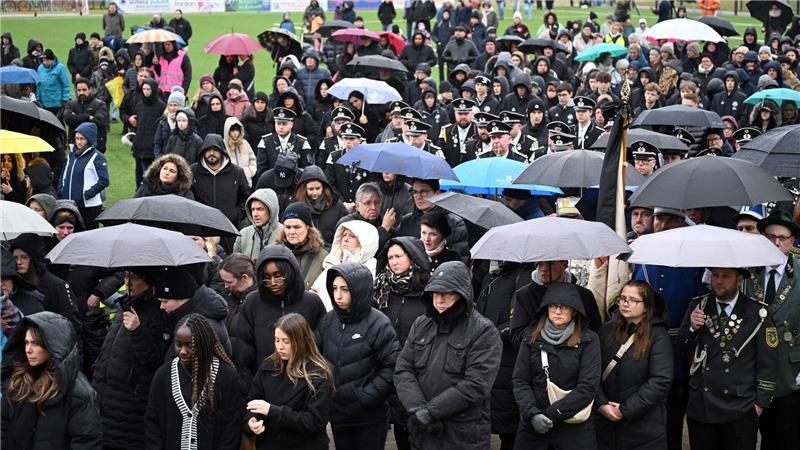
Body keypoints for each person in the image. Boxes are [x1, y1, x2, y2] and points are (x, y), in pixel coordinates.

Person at [394, 261, 502, 449]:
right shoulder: (421, 324)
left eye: (446, 294)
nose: (439, 300)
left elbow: (476, 384)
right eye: (435, 293)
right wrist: (417, 409)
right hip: (422, 431)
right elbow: (403, 369)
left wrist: (430, 412)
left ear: (462, 294)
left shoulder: (484, 331)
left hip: (462, 434)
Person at [678, 267, 778, 450]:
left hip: (740, 408)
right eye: (715, 275)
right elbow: (682, 352)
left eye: (726, 276)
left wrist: (759, 405)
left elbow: (768, 364)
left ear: (739, 280)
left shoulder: (758, 313)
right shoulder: (698, 306)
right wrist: (692, 329)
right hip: (702, 407)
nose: (719, 281)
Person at [316, 263, 399, 450]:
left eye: (345, 289)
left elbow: (392, 368)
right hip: (338, 415)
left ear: (359, 290)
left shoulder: (379, 324)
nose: (338, 295)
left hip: (369, 418)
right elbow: (316, 358)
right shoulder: (329, 320)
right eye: (334, 288)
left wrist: (364, 397)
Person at [512, 283, 601, 450]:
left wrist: (551, 414)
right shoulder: (530, 337)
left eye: (564, 306)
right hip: (534, 426)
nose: (558, 311)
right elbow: (520, 380)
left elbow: (588, 386)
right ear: (546, 308)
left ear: (575, 310)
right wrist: (532, 414)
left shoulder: (589, 340)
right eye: (553, 306)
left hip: (574, 428)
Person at [92, 268, 169, 450]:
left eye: (134, 277)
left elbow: (156, 361)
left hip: (130, 410)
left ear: (148, 280)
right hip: (104, 402)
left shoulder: (158, 311)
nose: (127, 282)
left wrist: (137, 331)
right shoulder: (126, 305)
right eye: (125, 276)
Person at [1, 312, 102, 449]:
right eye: (26, 343)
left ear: (52, 347)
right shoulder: (18, 380)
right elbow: (3, 426)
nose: (28, 350)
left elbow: (86, 442)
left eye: (35, 344)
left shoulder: (79, 393)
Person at [743, 210, 800, 449]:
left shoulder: (799, 273)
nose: (776, 243)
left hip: (789, 372)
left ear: (792, 241)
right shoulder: (747, 272)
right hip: (751, 370)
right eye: (770, 237)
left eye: (782, 238)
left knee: (786, 437)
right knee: (749, 435)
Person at [233, 245, 326, 388]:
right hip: (263, 384)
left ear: (290, 273)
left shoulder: (312, 302)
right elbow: (244, 351)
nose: (273, 283)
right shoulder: (252, 302)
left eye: (278, 276)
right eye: (266, 277)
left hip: (305, 384)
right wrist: (250, 388)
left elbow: (320, 346)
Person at [145, 314, 242, 449]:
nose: (183, 351)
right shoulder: (163, 375)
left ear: (204, 343)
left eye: (189, 345)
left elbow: (231, 428)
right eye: (178, 345)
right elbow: (152, 423)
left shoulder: (226, 376)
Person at [597, 280, 673, 450]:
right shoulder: (606, 331)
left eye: (633, 300)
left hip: (643, 429)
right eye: (622, 298)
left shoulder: (658, 336)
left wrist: (625, 410)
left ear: (646, 307)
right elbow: (592, 371)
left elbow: (660, 381)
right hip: (605, 426)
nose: (625, 303)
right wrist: (601, 404)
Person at [243, 313, 334, 448]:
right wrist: (252, 421)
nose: (280, 347)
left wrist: (272, 411)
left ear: (301, 341)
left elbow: (314, 422)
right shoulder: (268, 366)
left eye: (286, 341)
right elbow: (253, 401)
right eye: (276, 340)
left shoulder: (319, 374)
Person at [8, 234, 80, 331]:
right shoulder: (12, 283)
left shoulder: (56, 285)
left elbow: (71, 323)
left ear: (34, 259)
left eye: (24, 257)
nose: (19, 262)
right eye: (15, 258)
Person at [191, 134, 251, 247]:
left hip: (230, 232)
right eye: (208, 150)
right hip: (202, 233)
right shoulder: (193, 171)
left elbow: (246, 198)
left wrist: (235, 214)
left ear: (222, 151)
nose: (211, 153)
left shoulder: (237, 172)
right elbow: (188, 196)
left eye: (215, 150)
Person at [311, 220, 380, 310]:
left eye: (352, 236)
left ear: (365, 242)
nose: (346, 239)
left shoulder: (371, 267)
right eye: (344, 235)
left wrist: (324, 295)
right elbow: (314, 291)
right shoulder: (333, 263)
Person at [57, 122, 109, 230]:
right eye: (77, 138)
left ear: (89, 139)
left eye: (82, 139)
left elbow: (104, 180)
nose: (79, 142)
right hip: (69, 205)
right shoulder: (71, 155)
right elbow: (63, 174)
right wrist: (61, 190)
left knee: (88, 236)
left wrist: (87, 195)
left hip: (89, 207)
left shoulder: (97, 157)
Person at [276, 202, 329, 290]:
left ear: (308, 228)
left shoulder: (323, 258)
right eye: (288, 227)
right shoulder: (275, 254)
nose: (291, 232)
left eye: (297, 227)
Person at [294, 165, 349, 246]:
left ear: (323, 187)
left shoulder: (336, 205)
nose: (315, 193)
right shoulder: (296, 207)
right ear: (304, 189)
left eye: (318, 188)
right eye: (311, 189)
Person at [131, 78, 166, 188]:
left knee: (149, 175)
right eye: (144, 89)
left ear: (153, 89)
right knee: (138, 175)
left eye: (148, 89)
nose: (145, 92)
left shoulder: (161, 106)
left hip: (151, 147)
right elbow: (136, 123)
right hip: (139, 145)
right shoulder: (140, 104)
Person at [233, 188, 283, 263]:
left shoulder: (284, 233)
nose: (255, 214)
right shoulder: (243, 235)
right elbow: (235, 264)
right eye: (253, 209)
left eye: (260, 209)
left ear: (271, 210)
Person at [223, 116, 257, 185]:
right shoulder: (223, 145)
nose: (235, 133)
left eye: (237, 130)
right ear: (227, 131)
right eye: (232, 130)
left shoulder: (245, 144)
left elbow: (253, 160)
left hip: (246, 182)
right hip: (230, 184)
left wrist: (249, 172)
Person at [36, 49, 71, 116]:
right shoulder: (40, 68)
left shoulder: (60, 68)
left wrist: (65, 99)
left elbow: (66, 85)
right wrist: (38, 98)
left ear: (52, 59)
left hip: (57, 104)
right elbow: (38, 85)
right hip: (44, 103)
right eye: (43, 60)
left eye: (47, 60)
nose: (45, 62)